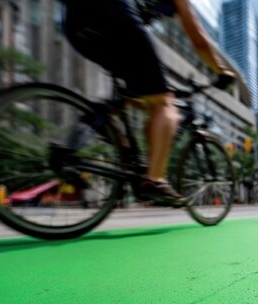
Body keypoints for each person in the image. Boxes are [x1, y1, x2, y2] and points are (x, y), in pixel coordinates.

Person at [61, 0, 236, 207]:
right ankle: (155, 180)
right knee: (164, 103)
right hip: (114, 14)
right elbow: (198, 40)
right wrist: (221, 70)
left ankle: (105, 134)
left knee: (135, 98)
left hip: (75, 23)